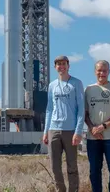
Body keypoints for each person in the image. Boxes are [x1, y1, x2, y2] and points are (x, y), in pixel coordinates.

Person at [42, 55, 85, 192]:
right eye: (58, 64)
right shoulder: (52, 85)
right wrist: (46, 131)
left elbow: (81, 108)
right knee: (55, 166)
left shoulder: (76, 83)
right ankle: (60, 190)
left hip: (70, 130)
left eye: (64, 64)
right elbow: (49, 109)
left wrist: (78, 131)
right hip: (54, 129)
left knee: (72, 166)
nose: (61, 66)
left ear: (68, 65)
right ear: (55, 67)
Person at [84, 60, 110, 192]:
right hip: (93, 138)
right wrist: (92, 128)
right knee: (94, 171)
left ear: (109, 72)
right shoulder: (89, 89)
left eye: (105, 70)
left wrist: (103, 126)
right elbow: (85, 114)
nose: (102, 73)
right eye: (99, 70)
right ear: (95, 71)